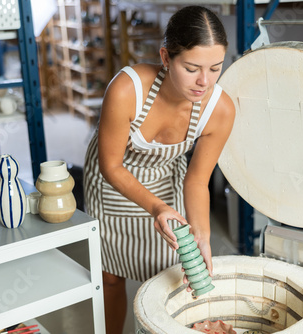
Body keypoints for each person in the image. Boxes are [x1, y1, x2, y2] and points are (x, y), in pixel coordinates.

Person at [83, 5, 235, 334]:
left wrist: (203, 237)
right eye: (192, 68)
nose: (203, 82)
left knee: (169, 275)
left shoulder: (220, 109)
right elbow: (110, 166)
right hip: (113, 184)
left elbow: (196, 180)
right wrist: (156, 207)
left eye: (215, 68)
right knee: (111, 278)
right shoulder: (127, 90)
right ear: (166, 58)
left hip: (168, 181)